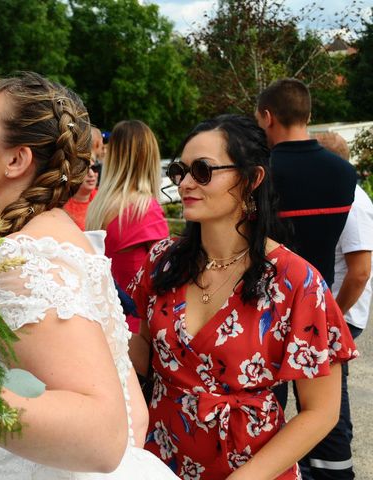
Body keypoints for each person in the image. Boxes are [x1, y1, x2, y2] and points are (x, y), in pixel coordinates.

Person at [0, 71, 178, 479]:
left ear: (16, 159)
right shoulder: (58, 237)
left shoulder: (26, 260)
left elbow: (103, 436)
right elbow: (134, 415)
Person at [128, 114, 357, 479]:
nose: (185, 183)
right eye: (180, 170)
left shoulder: (297, 283)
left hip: (251, 467)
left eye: (202, 170)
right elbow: (144, 354)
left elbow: (322, 411)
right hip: (161, 459)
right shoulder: (162, 261)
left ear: (251, 178)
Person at [256, 79, 358, 479]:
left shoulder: (263, 173)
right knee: (327, 411)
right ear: (308, 115)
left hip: (264, 309)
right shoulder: (342, 172)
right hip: (320, 305)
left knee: (268, 409)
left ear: (267, 116)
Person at [315, 131, 373, 477]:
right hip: (331, 312)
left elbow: (360, 272)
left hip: (338, 313)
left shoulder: (352, 200)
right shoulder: (339, 193)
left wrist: (332, 317)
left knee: (327, 396)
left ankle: (336, 472)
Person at [85, 120, 169, 333]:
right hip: (137, 328)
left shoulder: (97, 205)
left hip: (102, 318)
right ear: (149, 157)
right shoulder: (145, 209)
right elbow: (165, 276)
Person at [62, 156, 99, 230]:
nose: (91, 174)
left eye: (94, 168)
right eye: (85, 170)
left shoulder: (102, 198)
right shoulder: (61, 206)